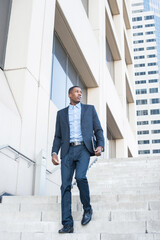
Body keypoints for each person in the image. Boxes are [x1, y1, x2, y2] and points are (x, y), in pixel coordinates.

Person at [51, 86, 104, 233]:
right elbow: (58, 136)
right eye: (76, 92)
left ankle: (87, 209)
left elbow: (98, 129)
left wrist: (100, 146)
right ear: (69, 94)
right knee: (65, 186)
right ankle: (67, 224)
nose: (80, 94)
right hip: (67, 151)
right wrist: (54, 152)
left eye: (81, 92)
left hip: (83, 149)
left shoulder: (89, 109)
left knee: (80, 177)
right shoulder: (61, 114)